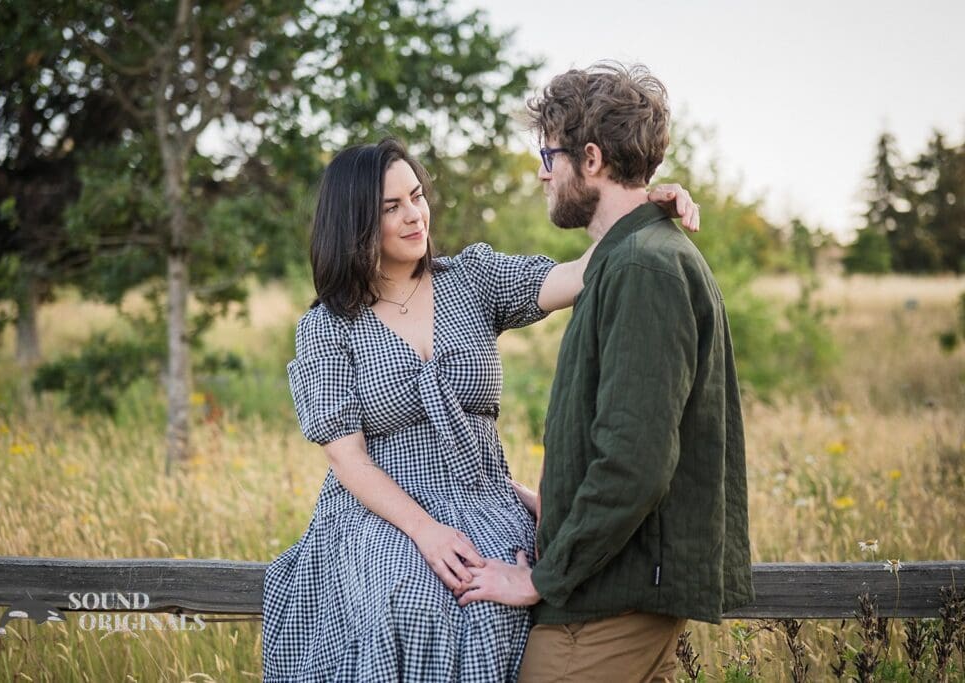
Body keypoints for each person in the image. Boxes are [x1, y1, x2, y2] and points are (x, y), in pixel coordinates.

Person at [261, 138, 699, 682]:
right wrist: (426, 531)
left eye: (417, 197)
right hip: (386, 514)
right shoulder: (328, 328)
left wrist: (645, 212)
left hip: (486, 501)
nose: (414, 216)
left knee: (497, 606)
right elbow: (348, 461)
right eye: (391, 208)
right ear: (352, 223)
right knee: (412, 603)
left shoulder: (472, 279)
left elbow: (581, 272)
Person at [456, 63, 755, 683]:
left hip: (603, 612)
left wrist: (541, 575)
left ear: (590, 159)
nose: (542, 171)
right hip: (614, 593)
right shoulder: (629, 257)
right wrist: (560, 502)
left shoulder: (645, 269)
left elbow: (635, 462)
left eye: (549, 154)